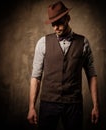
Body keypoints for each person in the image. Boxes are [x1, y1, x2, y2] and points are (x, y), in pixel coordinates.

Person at [27, 1, 99, 130]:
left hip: (74, 104)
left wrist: (96, 105)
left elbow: (91, 75)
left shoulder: (83, 43)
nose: (55, 27)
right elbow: (36, 77)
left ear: (68, 18)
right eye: (53, 24)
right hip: (48, 103)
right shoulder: (42, 43)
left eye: (59, 22)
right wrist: (31, 107)